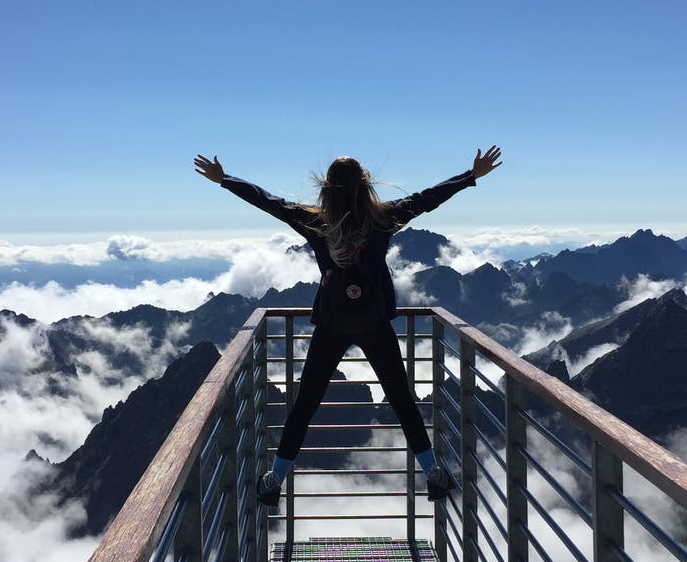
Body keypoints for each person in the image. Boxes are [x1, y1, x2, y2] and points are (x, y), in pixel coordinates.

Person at [193, 146, 503, 507]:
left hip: (332, 323)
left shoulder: (314, 222)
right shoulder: (383, 219)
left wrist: (225, 180)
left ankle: (275, 478)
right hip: (374, 322)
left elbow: (269, 202)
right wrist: (470, 176)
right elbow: (427, 199)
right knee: (402, 400)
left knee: (305, 402)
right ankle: (433, 472)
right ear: (365, 184)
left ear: (327, 188)